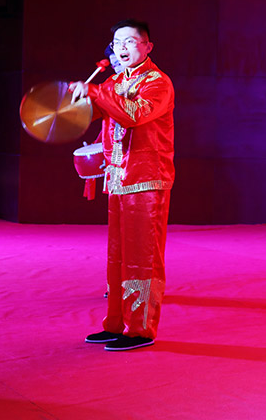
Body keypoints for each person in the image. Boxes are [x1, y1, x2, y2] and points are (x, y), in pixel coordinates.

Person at [70, 19, 175, 351]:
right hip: (118, 179)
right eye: (117, 43)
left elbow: (133, 114)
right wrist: (74, 102)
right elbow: (96, 112)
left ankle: (140, 329)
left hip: (146, 179)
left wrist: (96, 93)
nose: (123, 48)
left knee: (142, 258)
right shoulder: (115, 81)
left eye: (130, 41)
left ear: (147, 46)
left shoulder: (157, 82)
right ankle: (116, 323)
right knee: (117, 259)